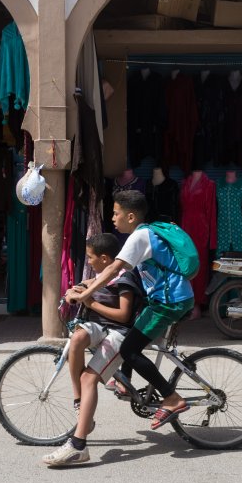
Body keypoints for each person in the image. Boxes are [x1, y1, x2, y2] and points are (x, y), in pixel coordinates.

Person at [70, 190, 195, 431]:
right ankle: (125, 383)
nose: (113, 218)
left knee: (128, 348)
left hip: (169, 302)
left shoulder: (139, 237)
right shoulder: (147, 233)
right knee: (131, 336)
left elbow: (112, 271)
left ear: (130, 217)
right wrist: (86, 287)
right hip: (167, 299)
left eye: (116, 213)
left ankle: (172, 398)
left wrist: (85, 296)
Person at [42, 233, 143, 467]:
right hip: (99, 327)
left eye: (90, 257)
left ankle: (79, 446)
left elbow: (124, 315)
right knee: (77, 338)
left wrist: (90, 303)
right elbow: (88, 285)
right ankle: (80, 402)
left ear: (106, 259)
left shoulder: (124, 278)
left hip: (119, 333)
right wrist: (75, 290)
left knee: (89, 378)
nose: (88, 261)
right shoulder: (101, 274)